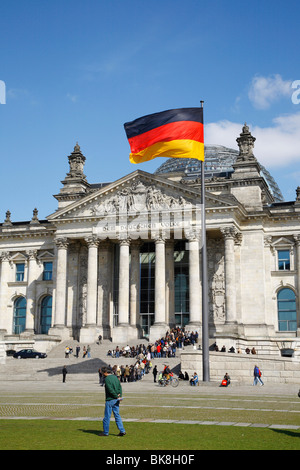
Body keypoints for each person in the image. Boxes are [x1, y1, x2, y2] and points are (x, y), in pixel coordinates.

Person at [100, 367, 126, 437]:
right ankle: (122, 430)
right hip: (116, 399)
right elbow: (119, 387)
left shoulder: (107, 379)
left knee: (107, 417)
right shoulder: (115, 377)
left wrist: (116, 396)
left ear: (105, 372)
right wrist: (119, 395)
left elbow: (110, 389)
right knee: (117, 415)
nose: (102, 373)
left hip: (110, 399)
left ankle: (105, 432)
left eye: (102, 372)